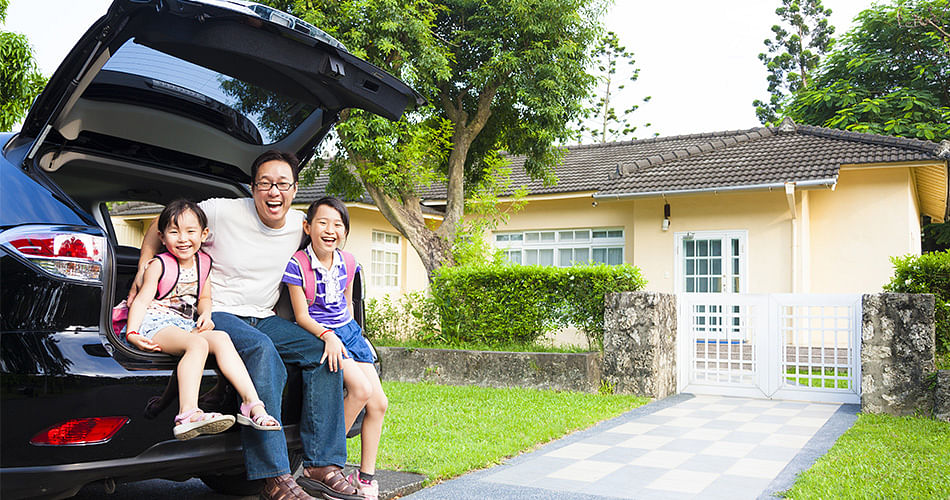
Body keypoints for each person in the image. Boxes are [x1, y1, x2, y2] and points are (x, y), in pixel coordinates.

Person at [130, 151, 361, 500]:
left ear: (295, 189)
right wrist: (144, 268)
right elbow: (160, 224)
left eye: (283, 184)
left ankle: (322, 465)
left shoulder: (300, 224)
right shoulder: (222, 211)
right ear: (253, 188)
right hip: (218, 313)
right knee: (261, 350)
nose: (274, 192)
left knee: (320, 353)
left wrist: (334, 324)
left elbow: (328, 249)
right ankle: (274, 477)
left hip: (265, 316)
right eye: (265, 184)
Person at [124, 199, 281, 440]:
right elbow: (142, 300)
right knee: (198, 344)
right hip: (156, 322)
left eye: (190, 231)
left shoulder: (203, 263)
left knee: (220, 337)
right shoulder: (158, 265)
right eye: (174, 232)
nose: (183, 238)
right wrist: (132, 332)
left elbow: (204, 297)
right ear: (162, 237)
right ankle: (187, 414)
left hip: (185, 323)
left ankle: (252, 405)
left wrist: (206, 314)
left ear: (204, 234)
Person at [283, 197, 387, 500]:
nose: (330, 230)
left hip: (349, 334)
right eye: (323, 223)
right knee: (360, 390)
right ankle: (321, 462)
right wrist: (329, 336)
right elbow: (301, 316)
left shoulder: (349, 262)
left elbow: (346, 303)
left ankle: (366, 477)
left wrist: (357, 336)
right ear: (308, 227)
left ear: (345, 231)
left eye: (338, 224)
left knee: (379, 403)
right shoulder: (298, 264)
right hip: (321, 335)